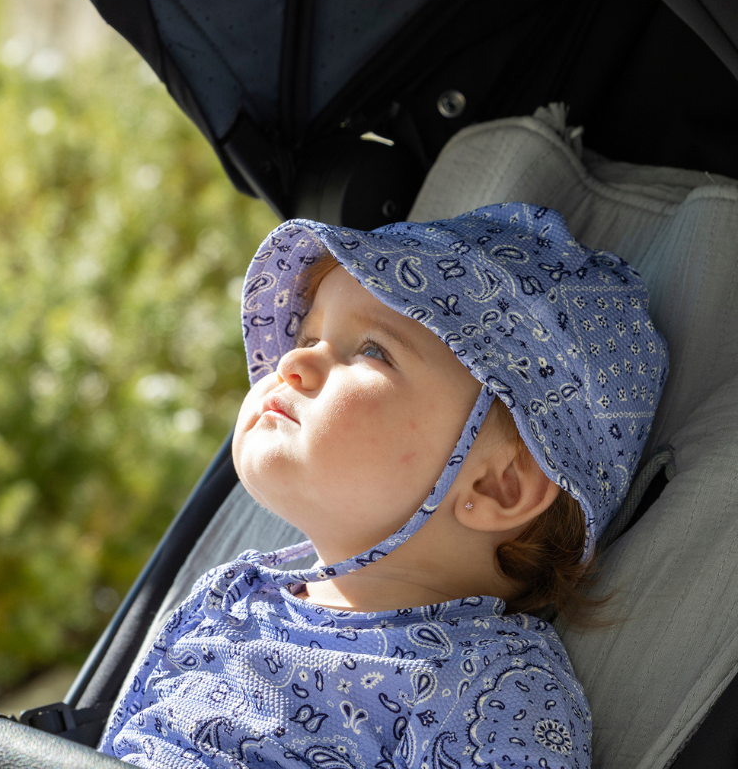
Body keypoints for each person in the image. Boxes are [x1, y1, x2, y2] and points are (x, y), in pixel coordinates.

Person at [99, 203, 668, 769]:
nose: (294, 359)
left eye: (372, 350)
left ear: (500, 485)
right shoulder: (229, 599)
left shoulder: (488, 691)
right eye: (307, 332)